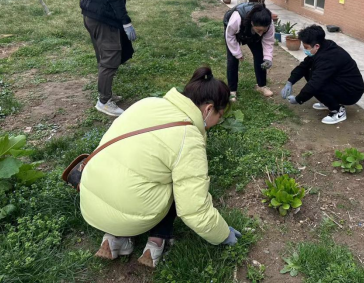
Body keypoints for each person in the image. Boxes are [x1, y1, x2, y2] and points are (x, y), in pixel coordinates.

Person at [79, 67, 242, 268]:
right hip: (131, 210)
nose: (218, 121)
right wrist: (223, 234)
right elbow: (193, 209)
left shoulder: (148, 102)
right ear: (208, 109)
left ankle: (114, 238)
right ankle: (156, 241)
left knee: (137, 172)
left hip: (90, 198)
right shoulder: (188, 137)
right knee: (178, 183)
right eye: (220, 115)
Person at [80, 0, 143, 117]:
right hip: (103, 18)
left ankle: (106, 93)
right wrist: (126, 21)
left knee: (104, 56)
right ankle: (104, 101)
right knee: (110, 58)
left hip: (91, 14)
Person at [281, 25, 364, 125]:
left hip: (351, 92)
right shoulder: (323, 46)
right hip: (340, 83)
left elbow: (315, 83)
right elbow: (304, 66)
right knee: (309, 72)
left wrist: (298, 99)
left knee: (317, 84)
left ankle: (337, 110)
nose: (305, 50)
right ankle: (328, 102)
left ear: (316, 46)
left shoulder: (328, 57)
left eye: (306, 47)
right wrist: (290, 82)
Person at [224, 2, 276, 102]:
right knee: (232, 60)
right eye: (259, 30)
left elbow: (268, 41)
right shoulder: (237, 18)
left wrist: (268, 58)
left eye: (264, 31)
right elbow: (230, 36)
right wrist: (237, 53)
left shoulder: (268, 23)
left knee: (260, 56)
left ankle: (261, 86)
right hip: (234, 32)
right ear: (252, 23)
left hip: (251, 31)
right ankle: (232, 91)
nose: (261, 34)